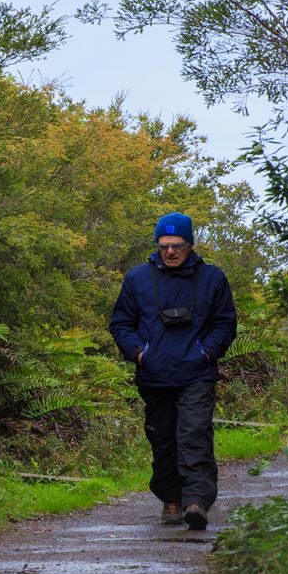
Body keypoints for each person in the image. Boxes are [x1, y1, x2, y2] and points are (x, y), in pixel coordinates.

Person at [108, 212, 236, 530]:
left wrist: (206, 352)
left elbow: (225, 323)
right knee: (163, 440)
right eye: (163, 245)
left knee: (194, 435)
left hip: (196, 374)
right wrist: (140, 353)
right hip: (154, 375)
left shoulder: (212, 278)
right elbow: (121, 323)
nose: (170, 252)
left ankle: (196, 502)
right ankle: (172, 500)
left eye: (177, 245)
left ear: (190, 244)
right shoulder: (137, 279)